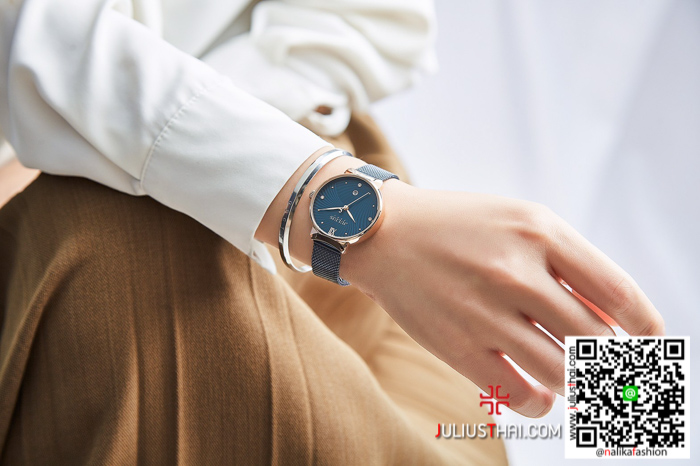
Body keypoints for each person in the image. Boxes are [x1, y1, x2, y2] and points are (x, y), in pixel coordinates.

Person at [0, 0, 664, 464]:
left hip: (374, 224)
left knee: (633, 396)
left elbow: (377, 21)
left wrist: (200, 141)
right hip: (357, 232)